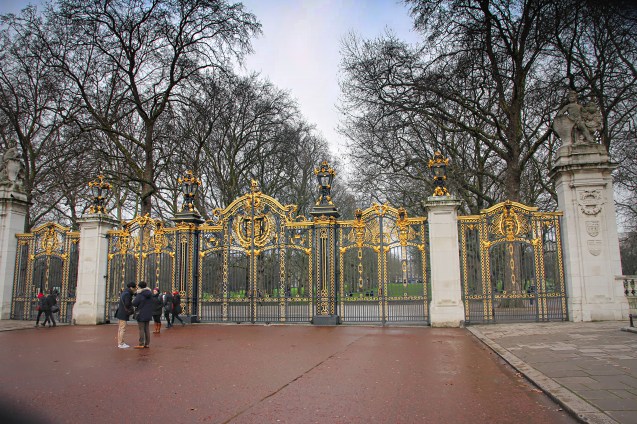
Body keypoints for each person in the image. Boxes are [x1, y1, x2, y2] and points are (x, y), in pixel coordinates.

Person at [115, 282, 136, 348]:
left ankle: (120, 342)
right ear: (131, 287)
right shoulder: (127, 294)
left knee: (120, 328)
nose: (135, 289)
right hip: (123, 313)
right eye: (134, 288)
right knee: (122, 329)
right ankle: (121, 343)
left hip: (120, 312)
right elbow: (127, 304)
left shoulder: (124, 292)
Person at [132, 281, 153, 348]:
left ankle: (141, 343)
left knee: (141, 329)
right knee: (147, 328)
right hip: (148, 313)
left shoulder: (140, 294)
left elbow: (135, 303)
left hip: (141, 313)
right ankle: (147, 343)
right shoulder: (150, 294)